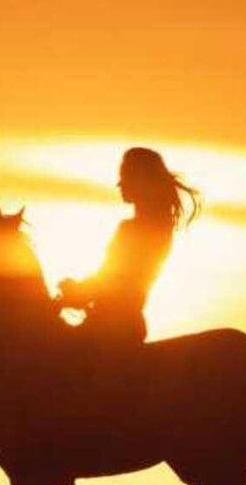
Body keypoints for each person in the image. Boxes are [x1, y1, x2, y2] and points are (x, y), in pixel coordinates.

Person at [56, 147, 200, 348]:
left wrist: (77, 292)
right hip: (124, 326)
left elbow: (113, 281)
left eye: (124, 176)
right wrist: (79, 291)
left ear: (140, 180)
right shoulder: (159, 228)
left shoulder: (133, 230)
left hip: (110, 330)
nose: (119, 183)